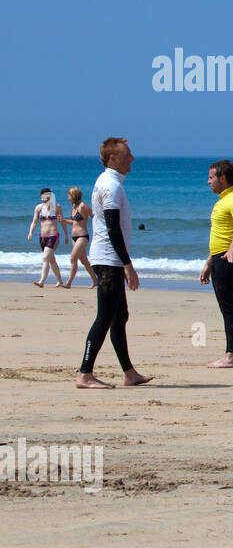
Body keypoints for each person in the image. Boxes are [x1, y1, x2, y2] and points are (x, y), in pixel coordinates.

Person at [75, 138, 151, 388]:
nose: (132, 158)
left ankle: (129, 373)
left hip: (110, 259)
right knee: (105, 317)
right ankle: (85, 374)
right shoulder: (111, 186)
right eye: (127, 154)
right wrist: (128, 265)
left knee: (120, 316)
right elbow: (112, 229)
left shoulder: (107, 182)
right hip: (109, 260)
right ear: (113, 159)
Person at [199, 159, 233, 368]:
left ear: (223, 178)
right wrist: (209, 263)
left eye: (211, 177)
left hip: (229, 258)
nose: (208, 181)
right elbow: (218, 236)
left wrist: (232, 249)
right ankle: (230, 354)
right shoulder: (221, 201)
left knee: (229, 308)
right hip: (220, 258)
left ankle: (231, 356)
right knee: (225, 307)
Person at [27, 188, 67, 288]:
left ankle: (42, 281)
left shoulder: (57, 207)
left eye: (47, 196)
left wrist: (66, 234)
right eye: (43, 196)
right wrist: (30, 232)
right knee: (51, 260)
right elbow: (35, 221)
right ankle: (60, 281)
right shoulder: (38, 208)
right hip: (42, 237)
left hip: (53, 235)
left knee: (45, 258)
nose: (45, 198)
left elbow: (61, 221)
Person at [61, 186, 95, 288]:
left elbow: (95, 217)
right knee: (84, 261)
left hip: (82, 236)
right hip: (74, 237)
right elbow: (74, 222)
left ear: (73, 195)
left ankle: (68, 283)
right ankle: (95, 280)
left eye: (69, 196)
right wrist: (63, 220)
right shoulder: (74, 207)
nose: (67, 198)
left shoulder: (83, 206)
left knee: (73, 258)